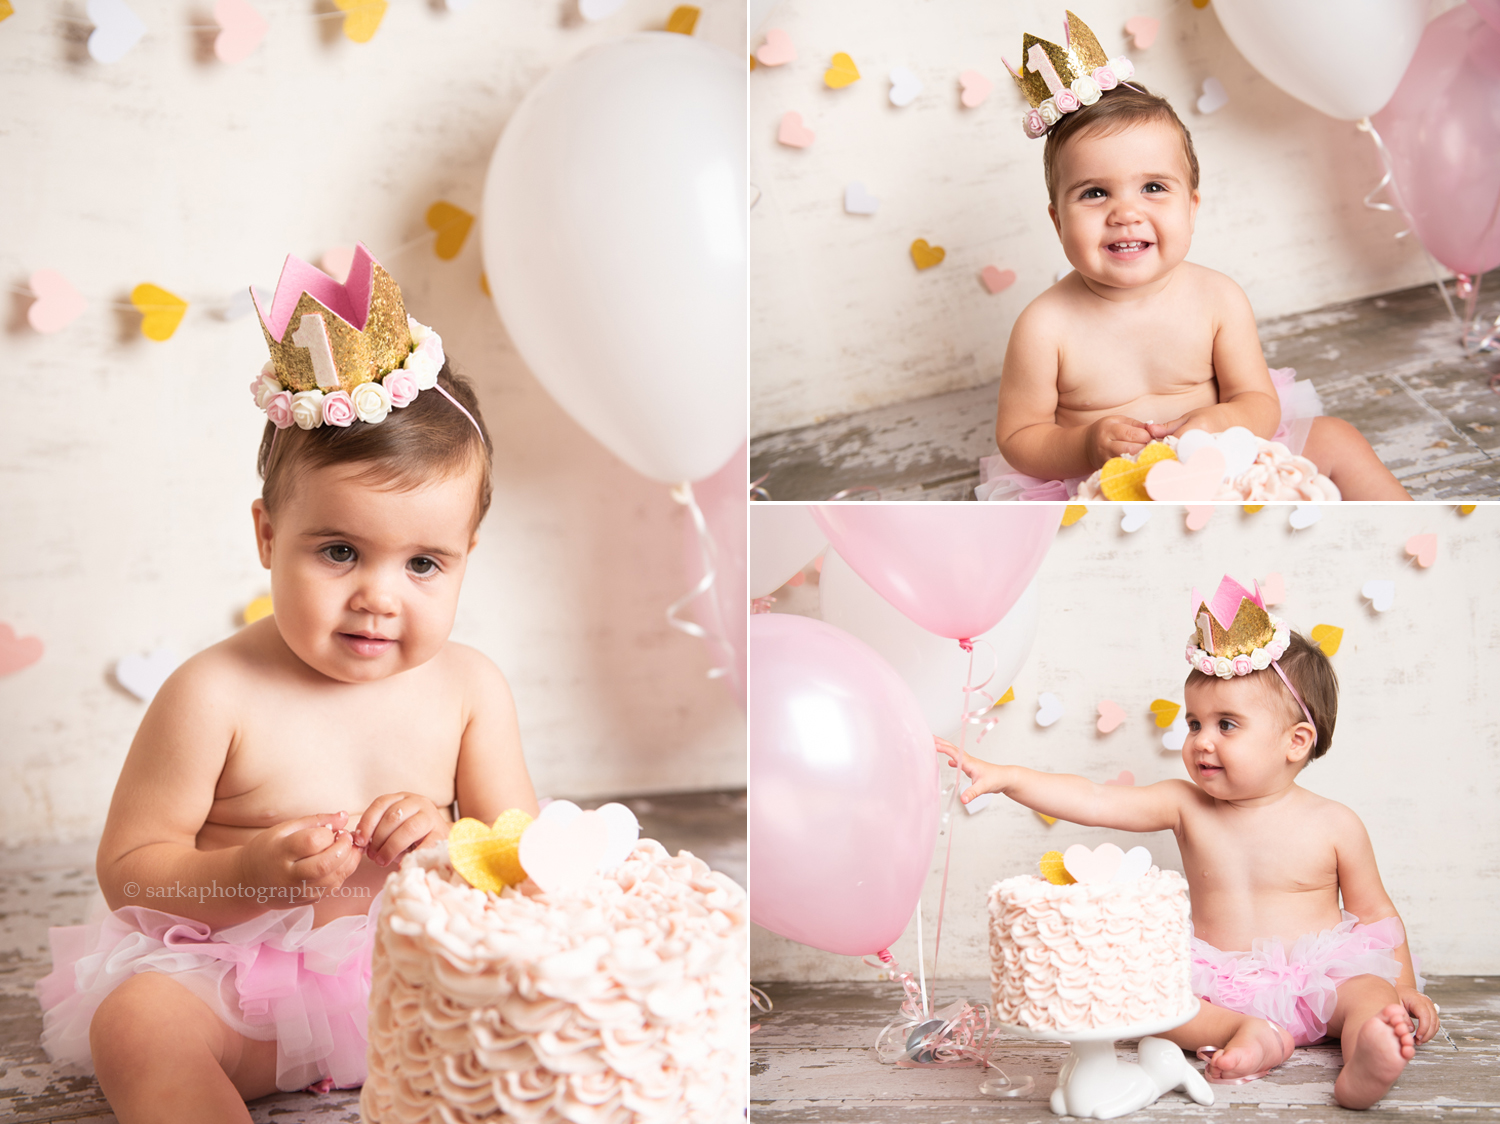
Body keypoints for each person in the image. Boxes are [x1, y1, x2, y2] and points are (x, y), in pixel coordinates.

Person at [36, 245, 538, 1122]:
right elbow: (130, 873)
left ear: (467, 558)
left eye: (424, 562)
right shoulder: (213, 693)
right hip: (240, 988)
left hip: (417, 978)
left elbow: (520, 864)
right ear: (269, 536)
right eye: (339, 550)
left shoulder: (471, 690)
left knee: (553, 996)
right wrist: (250, 875)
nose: (378, 597)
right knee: (139, 1025)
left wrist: (449, 846)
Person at [936, 576, 1436, 1110]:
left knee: (1369, 994)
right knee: (1160, 1007)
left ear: (1296, 742)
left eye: (1226, 724)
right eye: (1194, 722)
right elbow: (1095, 799)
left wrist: (1403, 987)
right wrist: (1010, 776)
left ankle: (1368, 1053)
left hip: (1318, 978)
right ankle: (1255, 1033)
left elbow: (1375, 911)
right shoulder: (1185, 805)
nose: (1201, 740)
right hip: (1217, 983)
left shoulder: (1335, 823)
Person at [976, 16, 1409, 501]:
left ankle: (1407, 532)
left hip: (1225, 458)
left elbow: (1257, 401)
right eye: (1095, 193)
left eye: (1154, 188)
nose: (1126, 213)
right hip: (1108, 486)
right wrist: (1086, 444)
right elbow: (1019, 438)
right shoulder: (1044, 326)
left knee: (1337, 438)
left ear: (1192, 208)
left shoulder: (1217, 298)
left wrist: (1220, 422)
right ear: (1058, 222)